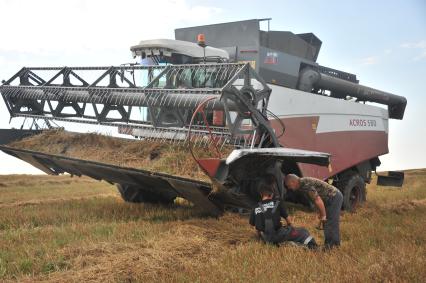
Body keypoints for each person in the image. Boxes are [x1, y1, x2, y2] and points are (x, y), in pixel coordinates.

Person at [249, 176, 318, 249]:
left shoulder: (255, 207)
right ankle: (314, 247)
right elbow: (289, 222)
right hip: (280, 234)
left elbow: (255, 228)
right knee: (303, 232)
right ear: (272, 193)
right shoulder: (277, 202)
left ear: (260, 194)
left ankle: (280, 244)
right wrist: (291, 229)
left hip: (266, 238)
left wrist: (262, 239)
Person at [284, 174, 343, 249]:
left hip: (334, 197)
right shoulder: (302, 184)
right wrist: (321, 212)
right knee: (327, 222)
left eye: (288, 186)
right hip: (329, 198)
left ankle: (332, 246)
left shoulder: (305, 185)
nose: (289, 188)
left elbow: (317, 200)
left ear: (293, 182)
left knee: (330, 221)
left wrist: (323, 215)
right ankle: (331, 244)